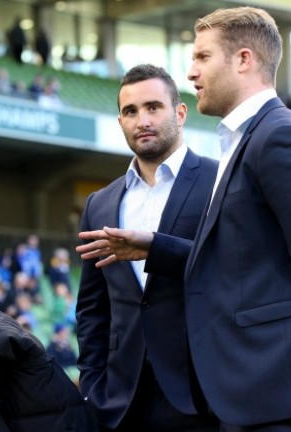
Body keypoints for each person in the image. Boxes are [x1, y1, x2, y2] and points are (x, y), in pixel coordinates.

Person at [76, 7, 291, 431]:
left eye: (202, 58)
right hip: (244, 397)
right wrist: (156, 247)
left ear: (244, 59)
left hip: (285, 390)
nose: (192, 72)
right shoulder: (243, 142)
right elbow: (235, 260)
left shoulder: (280, 135)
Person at [76, 63, 218, 431]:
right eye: (130, 111)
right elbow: (93, 309)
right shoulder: (100, 204)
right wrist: (93, 386)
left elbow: (234, 269)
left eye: (153, 107)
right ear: (120, 121)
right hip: (122, 403)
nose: (142, 120)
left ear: (180, 112)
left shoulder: (220, 181)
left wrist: (158, 249)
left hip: (205, 397)